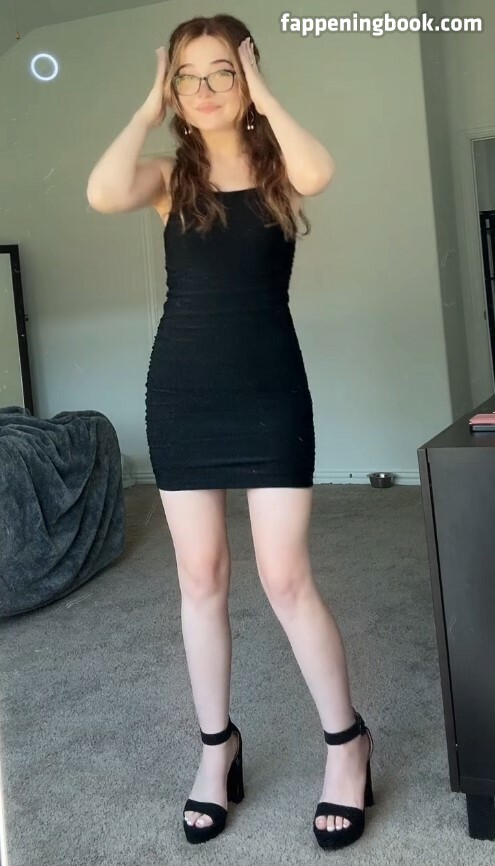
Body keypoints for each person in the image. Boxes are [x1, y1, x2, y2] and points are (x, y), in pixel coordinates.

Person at [87, 13, 374, 852]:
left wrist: (267, 94)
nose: (204, 88)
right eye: (188, 75)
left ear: (247, 77)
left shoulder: (281, 166)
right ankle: (216, 749)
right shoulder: (168, 177)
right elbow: (101, 191)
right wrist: (145, 106)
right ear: (171, 88)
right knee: (200, 577)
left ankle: (346, 744)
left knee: (285, 579)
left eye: (222, 70)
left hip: (269, 391)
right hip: (182, 392)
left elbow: (319, 171)